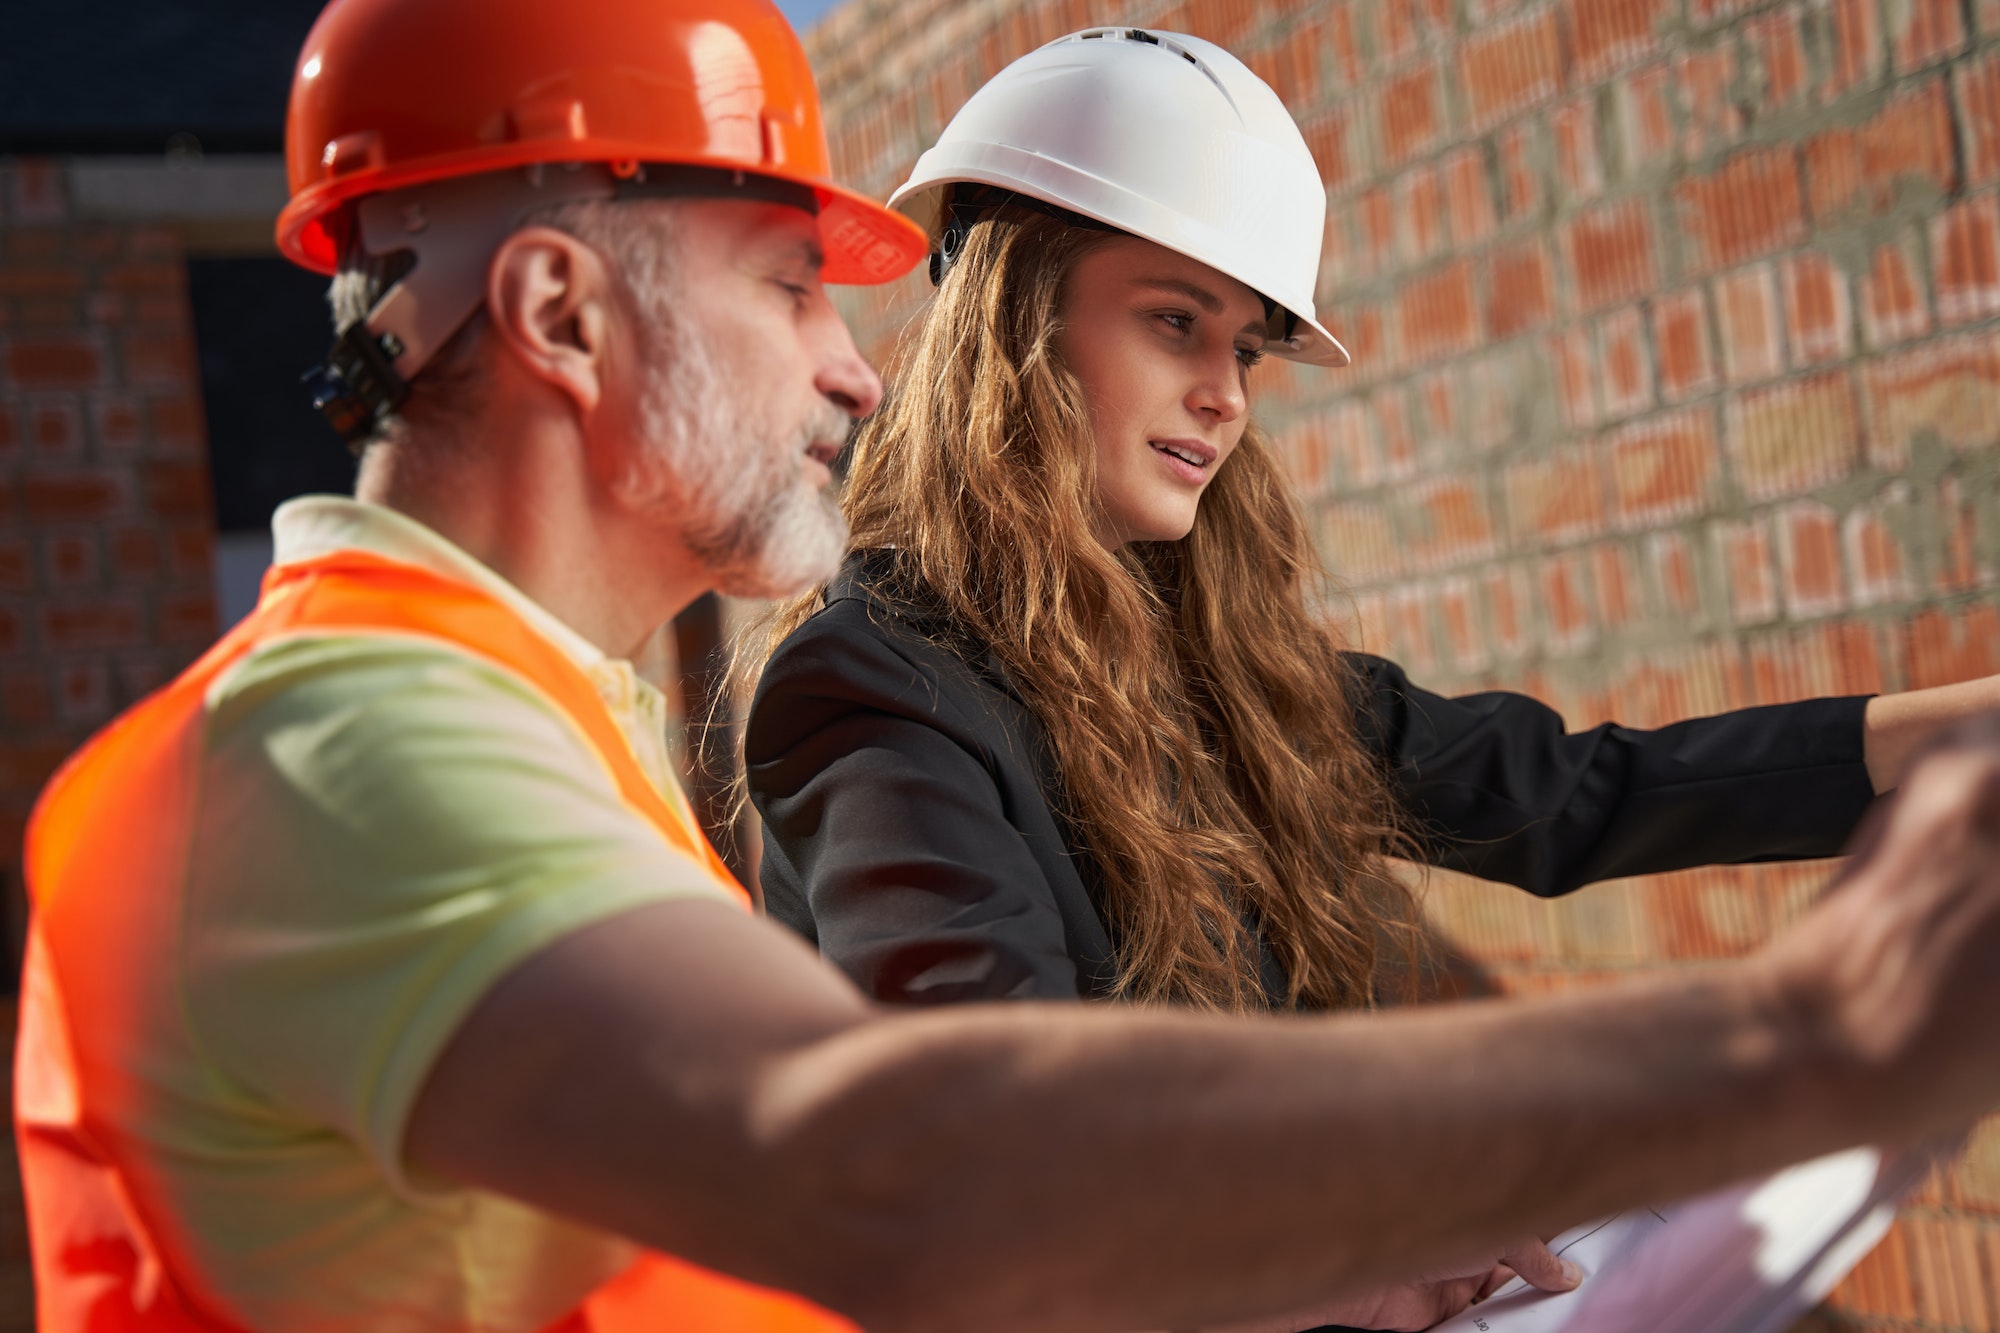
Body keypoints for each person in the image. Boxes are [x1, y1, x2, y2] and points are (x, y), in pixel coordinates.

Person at [17, 5, 2000, 1333]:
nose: (850, 364)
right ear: (555, 306)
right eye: (792, 288)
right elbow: (915, 1162)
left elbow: (1559, 789)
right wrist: (1799, 1040)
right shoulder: (360, 741)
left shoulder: (534, 710)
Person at [742, 28, 2000, 1018]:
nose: (1225, 394)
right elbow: (1004, 1123)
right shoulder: (872, 692)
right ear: (1011, 319)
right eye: (1173, 320)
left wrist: (1968, 738)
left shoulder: (1216, 666)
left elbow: (1575, 793)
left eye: (1244, 346)